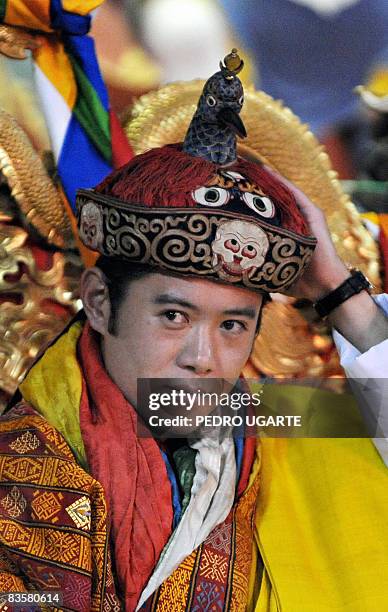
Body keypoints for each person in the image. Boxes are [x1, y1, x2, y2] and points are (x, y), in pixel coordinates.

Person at [0, 52, 387, 612]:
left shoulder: (281, 419)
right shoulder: (17, 468)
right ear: (102, 304)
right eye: (174, 316)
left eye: (233, 325)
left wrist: (339, 292)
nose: (202, 359)